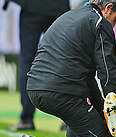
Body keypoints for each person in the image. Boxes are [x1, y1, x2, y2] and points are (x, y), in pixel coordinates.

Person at [16, 0, 116, 137]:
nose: (113, 25)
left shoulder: (69, 16)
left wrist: (101, 111)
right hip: (62, 91)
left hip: (36, 87)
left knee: (79, 115)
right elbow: (107, 72)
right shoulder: (100, 23)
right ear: (108, 9)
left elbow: (89, 80)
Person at [6, 0, 70, 130]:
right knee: (65, 62)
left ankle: (26, 119)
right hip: (58, 9)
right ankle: (69, 120)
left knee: (27, 62)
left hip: (32, 7)